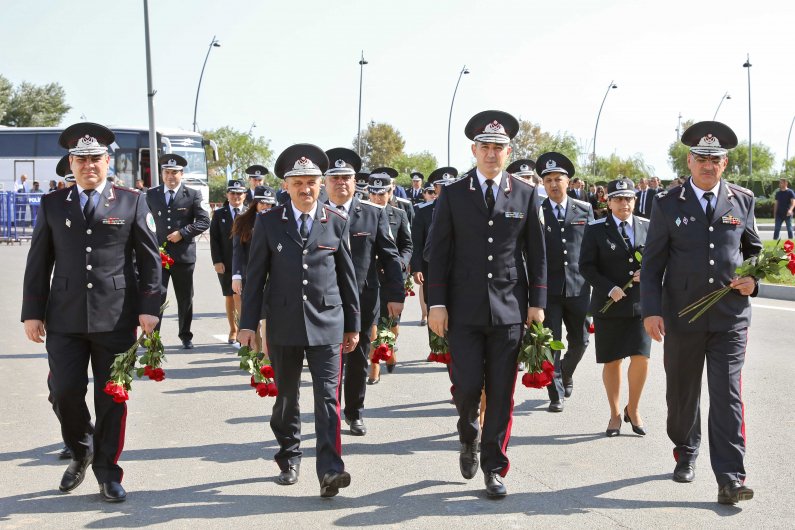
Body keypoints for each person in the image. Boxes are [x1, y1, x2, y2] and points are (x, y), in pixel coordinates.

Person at [21, 122, 161, 503]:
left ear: (107, 160)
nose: (88, 166)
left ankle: (107, 472)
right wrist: (31, 312)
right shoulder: (53, 203)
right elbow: (38, 262)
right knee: (64, 390)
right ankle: (81, 447)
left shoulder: (131, 201)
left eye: (95, 159)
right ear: (71, 162)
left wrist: (150, 308)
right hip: (64, 317)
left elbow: (150, 262)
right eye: (81, 159)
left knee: (112, 397)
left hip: (116, 317)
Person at [641, 121, 762, 505]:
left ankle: (730, 476)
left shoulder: (742, 200)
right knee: (682, 394)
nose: (709, 165)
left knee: (726, 395)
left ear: (725, 164)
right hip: (682, 316)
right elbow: (653, 264)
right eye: (702, 159)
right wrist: (651, 311)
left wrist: (752, 279)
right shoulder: (666, 203)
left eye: (716, 159)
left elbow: (755, 251)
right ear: (689, 161)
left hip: (730, 318)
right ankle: (686, 449)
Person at [427, 110, 546, 498]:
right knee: (466, 387)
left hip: (510, 309)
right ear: (474, 150)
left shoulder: (525, 194)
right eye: (485, 147)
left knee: (501, 392)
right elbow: (438, 252)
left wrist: (537, 303)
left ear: (508, 152)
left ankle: (495, 467)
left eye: (498, 148)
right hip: (462, 309)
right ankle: (467, 434)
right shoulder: (455, 193)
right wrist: (436, 304)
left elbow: (537, 254)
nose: (492, 154)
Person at [237, 143, 360, 498]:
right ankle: (290, 457)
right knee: (287, 398)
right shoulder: (269, 222)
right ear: (286, 187)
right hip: (285, 324)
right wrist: (248, 325)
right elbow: (256, 275)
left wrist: (352, 324)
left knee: (327, 399)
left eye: (312, 182)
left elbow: (347, 276)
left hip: (329, 322)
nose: (306, 189)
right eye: (298, 183)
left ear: (321, 185)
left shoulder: (335, 221)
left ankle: (331, 470)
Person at [324, 148, 405, 436]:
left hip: (363, 299)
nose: (340, 182)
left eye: (346, 177)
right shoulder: (315, 214)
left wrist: (395, 295)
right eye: (334, 177)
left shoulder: (372, 214)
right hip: (324, 301)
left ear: (355, 181)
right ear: (325, 182)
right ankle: (328, 414)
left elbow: (390, 256)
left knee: (358, 359)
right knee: (326, 361)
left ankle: (354, 412)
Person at [580, 177, 650, 437]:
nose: (624, 204)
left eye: (629, 198)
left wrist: (650, 272)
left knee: (641, 357)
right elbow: (586, 266)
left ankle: (635, 409)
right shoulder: (596, 228)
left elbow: (660, 258)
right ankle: (615, 413)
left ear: (635, 201)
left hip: (641, 304)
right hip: (609, 304)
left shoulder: (647, 226)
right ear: (608, 202)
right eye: (618, 199)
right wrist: (610, 287)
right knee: (613, 361)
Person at [536, 152, 593, 413]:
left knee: (580, 340)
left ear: (568, 182)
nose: (553, 184)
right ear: (543, 185)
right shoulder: (537, 212)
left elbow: (594, 248)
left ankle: (566, 373)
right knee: (552, 342)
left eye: (558, 179)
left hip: (579, 287)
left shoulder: (584, 209)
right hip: (549, 290)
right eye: (548, 180)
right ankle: (555, 392)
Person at [146, 155, 211, 349]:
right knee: (157, 296)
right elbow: (143, 220)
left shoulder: (193, 194)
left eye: (174, 172)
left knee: (185, 298)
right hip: (158, 255)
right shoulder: (152, 194)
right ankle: (153, 338)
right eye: (167, 172)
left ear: (181, 174)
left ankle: (185, 335)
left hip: (183, 256)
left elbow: (204, 221)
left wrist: (183, 233)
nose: (170, 176)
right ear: (162, 174)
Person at [367, 171, 413, 383]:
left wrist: (401, 263)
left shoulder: (399, 214)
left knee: (392, 321)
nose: (378, 198)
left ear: (391, 191)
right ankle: (374, 367)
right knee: (373, 321)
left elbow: (407, 245)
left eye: (382, 193)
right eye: (374, 193)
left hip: (393, 275)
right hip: (370, 276)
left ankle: (390, 348)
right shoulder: (362, 214)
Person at [231, 185, 277, 352]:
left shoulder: (278, 221)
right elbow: (237, 251)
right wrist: (236, 276)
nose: (266, 207)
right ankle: (253, 352)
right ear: (255, 203)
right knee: (251, 317)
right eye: (262, 203)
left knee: (266, 317)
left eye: (269, 204)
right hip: (248, 276)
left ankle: (266, 357)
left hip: (271, 277)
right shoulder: (242, 221)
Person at [411, 168, 456, 328]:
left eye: (449, 185)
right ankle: (437, 351)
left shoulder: (464, 209)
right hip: (432, 268)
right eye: (441, 186)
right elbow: (417, 243)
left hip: (459, 269)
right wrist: (417, 268)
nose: (445, 189)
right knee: (434, 309)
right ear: (435, 188)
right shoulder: (423, 211)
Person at [209, 180, 247, 344]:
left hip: (246, 262)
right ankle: (233, 329)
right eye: (232, 193)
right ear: (227, 195)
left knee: (241, 295)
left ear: (244, 195)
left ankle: (243, 328)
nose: (236, 196)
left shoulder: (249, 212)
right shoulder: (219, 214)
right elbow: (214, 239)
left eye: (239, 193)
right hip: (226, 262)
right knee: (230, 296)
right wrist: (217, 261)